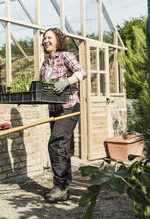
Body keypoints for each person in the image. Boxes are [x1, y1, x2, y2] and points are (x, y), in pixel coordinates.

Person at [39, 27, 87, 203]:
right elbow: (42, 86)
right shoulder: (44, 64)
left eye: (49, 38)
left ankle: (59, 186)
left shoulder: (66, 56)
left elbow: (82, 72)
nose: (46, 41)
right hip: (54, 109)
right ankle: (64, 188)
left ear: (58, 40)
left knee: (56, 144)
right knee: (63, 147)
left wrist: (67, 81)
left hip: (69, 106)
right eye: (44, 39)